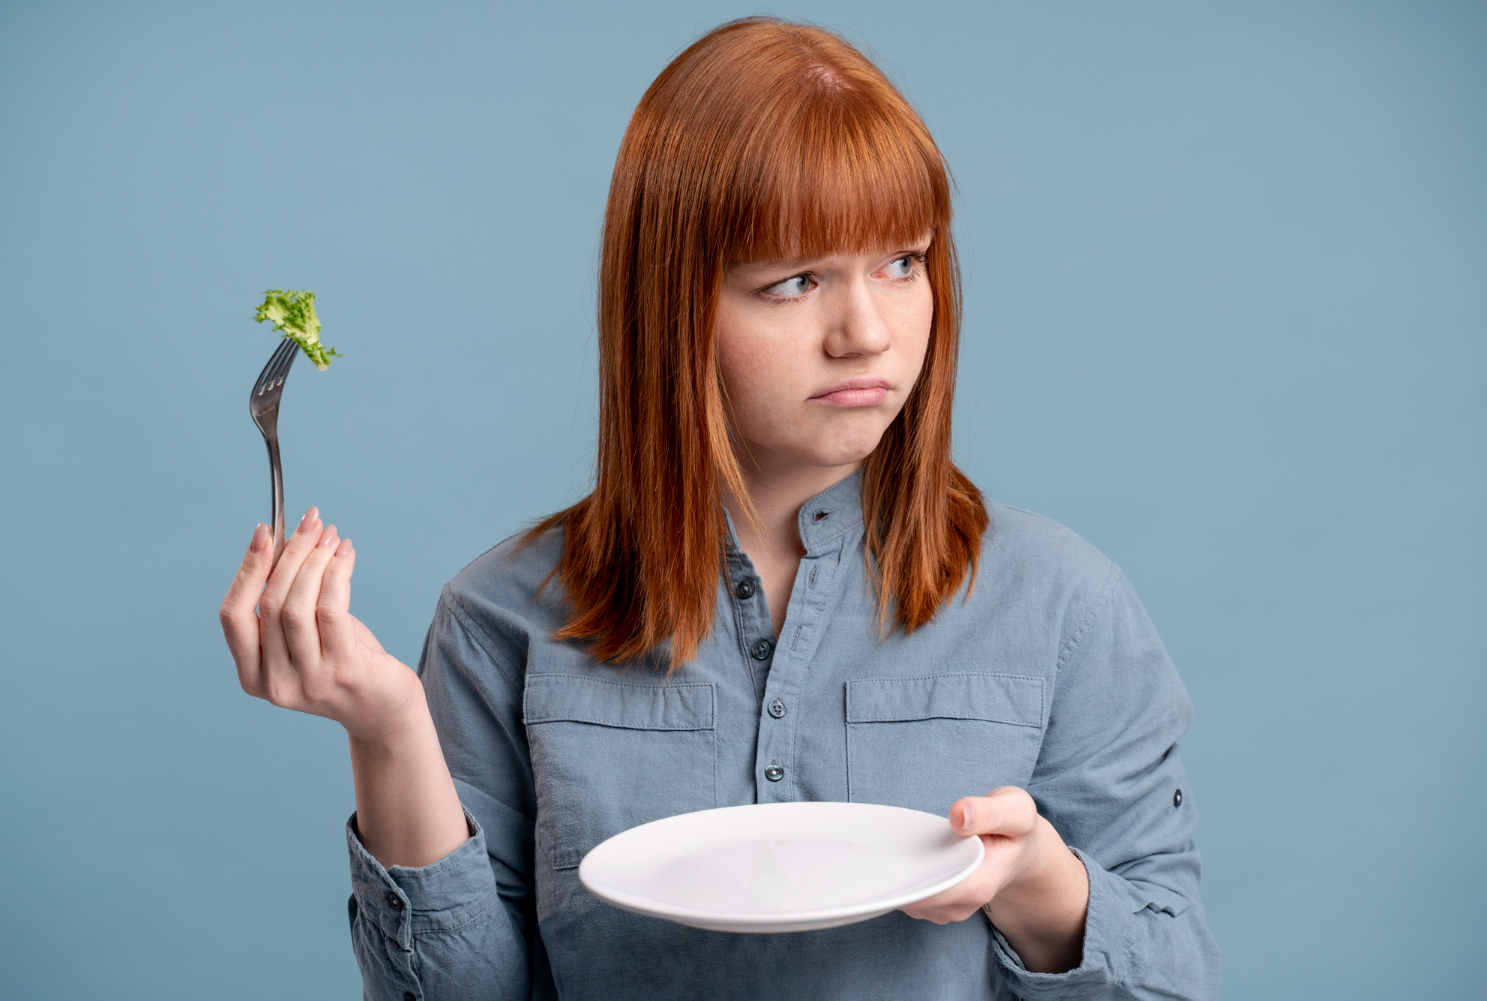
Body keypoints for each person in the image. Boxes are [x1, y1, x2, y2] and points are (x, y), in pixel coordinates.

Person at [219, 15, 1219, 1000]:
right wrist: (389, 728)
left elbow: (1175, 982)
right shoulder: (499, 619)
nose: (867, 331)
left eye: (902, 262)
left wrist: (1041, 879)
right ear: (673, 301)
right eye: (794, 280)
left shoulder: (1064, 604)